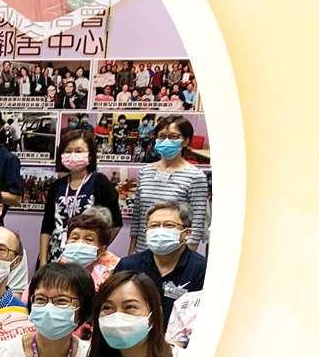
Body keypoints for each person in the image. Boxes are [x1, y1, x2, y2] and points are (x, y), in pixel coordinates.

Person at [36, 126, 123, 267]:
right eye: (68, 151)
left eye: (78, 151)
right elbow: (46, 226)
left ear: (90, 156)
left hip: (87, 258)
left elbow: (116, 223)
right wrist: (43, 261)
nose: (72, 155)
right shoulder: (57, 186)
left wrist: (95, 249)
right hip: (55, 256)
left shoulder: (100, 182)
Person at [129, 116, 209, 251]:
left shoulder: (195, 176)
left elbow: (196, 225)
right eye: (161, 136)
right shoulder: (145, 171)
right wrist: (132, 250)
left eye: (173, 137)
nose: (166, 141)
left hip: (176, 254)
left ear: (185, 141)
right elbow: (137, 216)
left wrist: (188, 257)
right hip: (143, 251)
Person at [114, 200, 206, 310]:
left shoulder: (202, 270)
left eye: (169, 225)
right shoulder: (127, 266)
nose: (160, 231)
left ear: (187, 233)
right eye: (154, 225)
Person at [59, 206, 120, 292]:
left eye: (89, 239)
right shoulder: (60, 265)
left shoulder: (114, 270)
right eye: (75, 238)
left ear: (101, 250)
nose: (80, 243)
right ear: (66, 242)